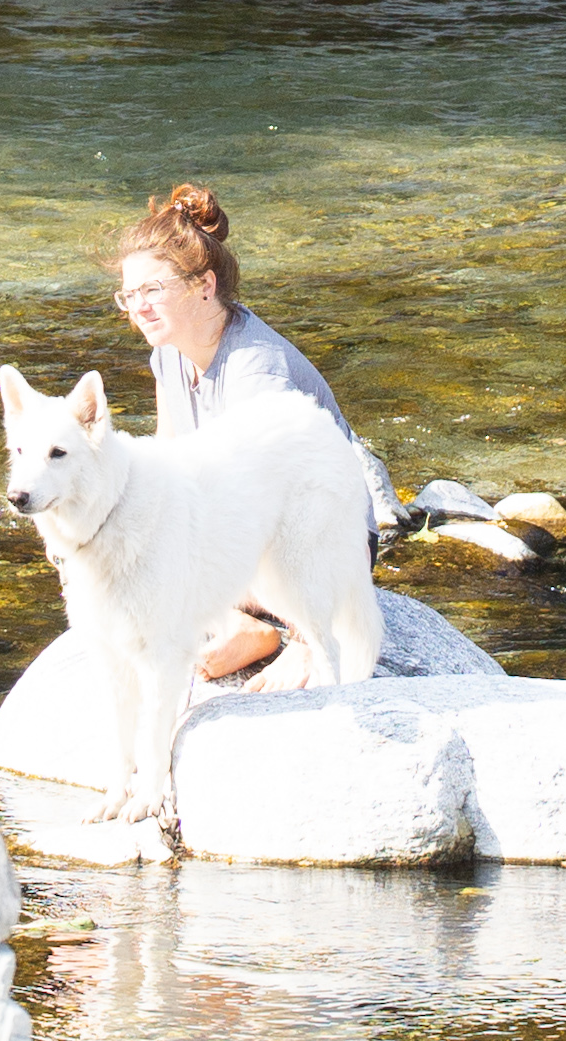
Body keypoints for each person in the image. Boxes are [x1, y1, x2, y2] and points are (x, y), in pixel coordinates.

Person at [105, 182, 382, 687]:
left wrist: (310, 635)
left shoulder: (257, 370)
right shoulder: (167, 352)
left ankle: (303, 637)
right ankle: (243, 626)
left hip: (322, 542)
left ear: (204, 286)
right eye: (129, 295)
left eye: (153, 291)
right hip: (247, 534)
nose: (138, 308)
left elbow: (283, 506)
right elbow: (170, 463)